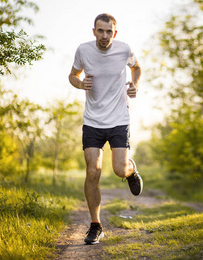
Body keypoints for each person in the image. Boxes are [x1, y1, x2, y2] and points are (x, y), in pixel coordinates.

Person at [68, 13, 143, 245]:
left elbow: (137, 68)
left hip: (119, 118)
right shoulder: (83, 50)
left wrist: (135, 86)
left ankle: (131, 170)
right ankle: (95, 225)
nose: (104, 35)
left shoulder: (124, 49)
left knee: (119, 169)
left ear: (115, 33)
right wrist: (80, 84)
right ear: (94, 32)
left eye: (109, 31)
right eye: (100, 31)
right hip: (92, 121)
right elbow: (72, 75)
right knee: (93, 171)